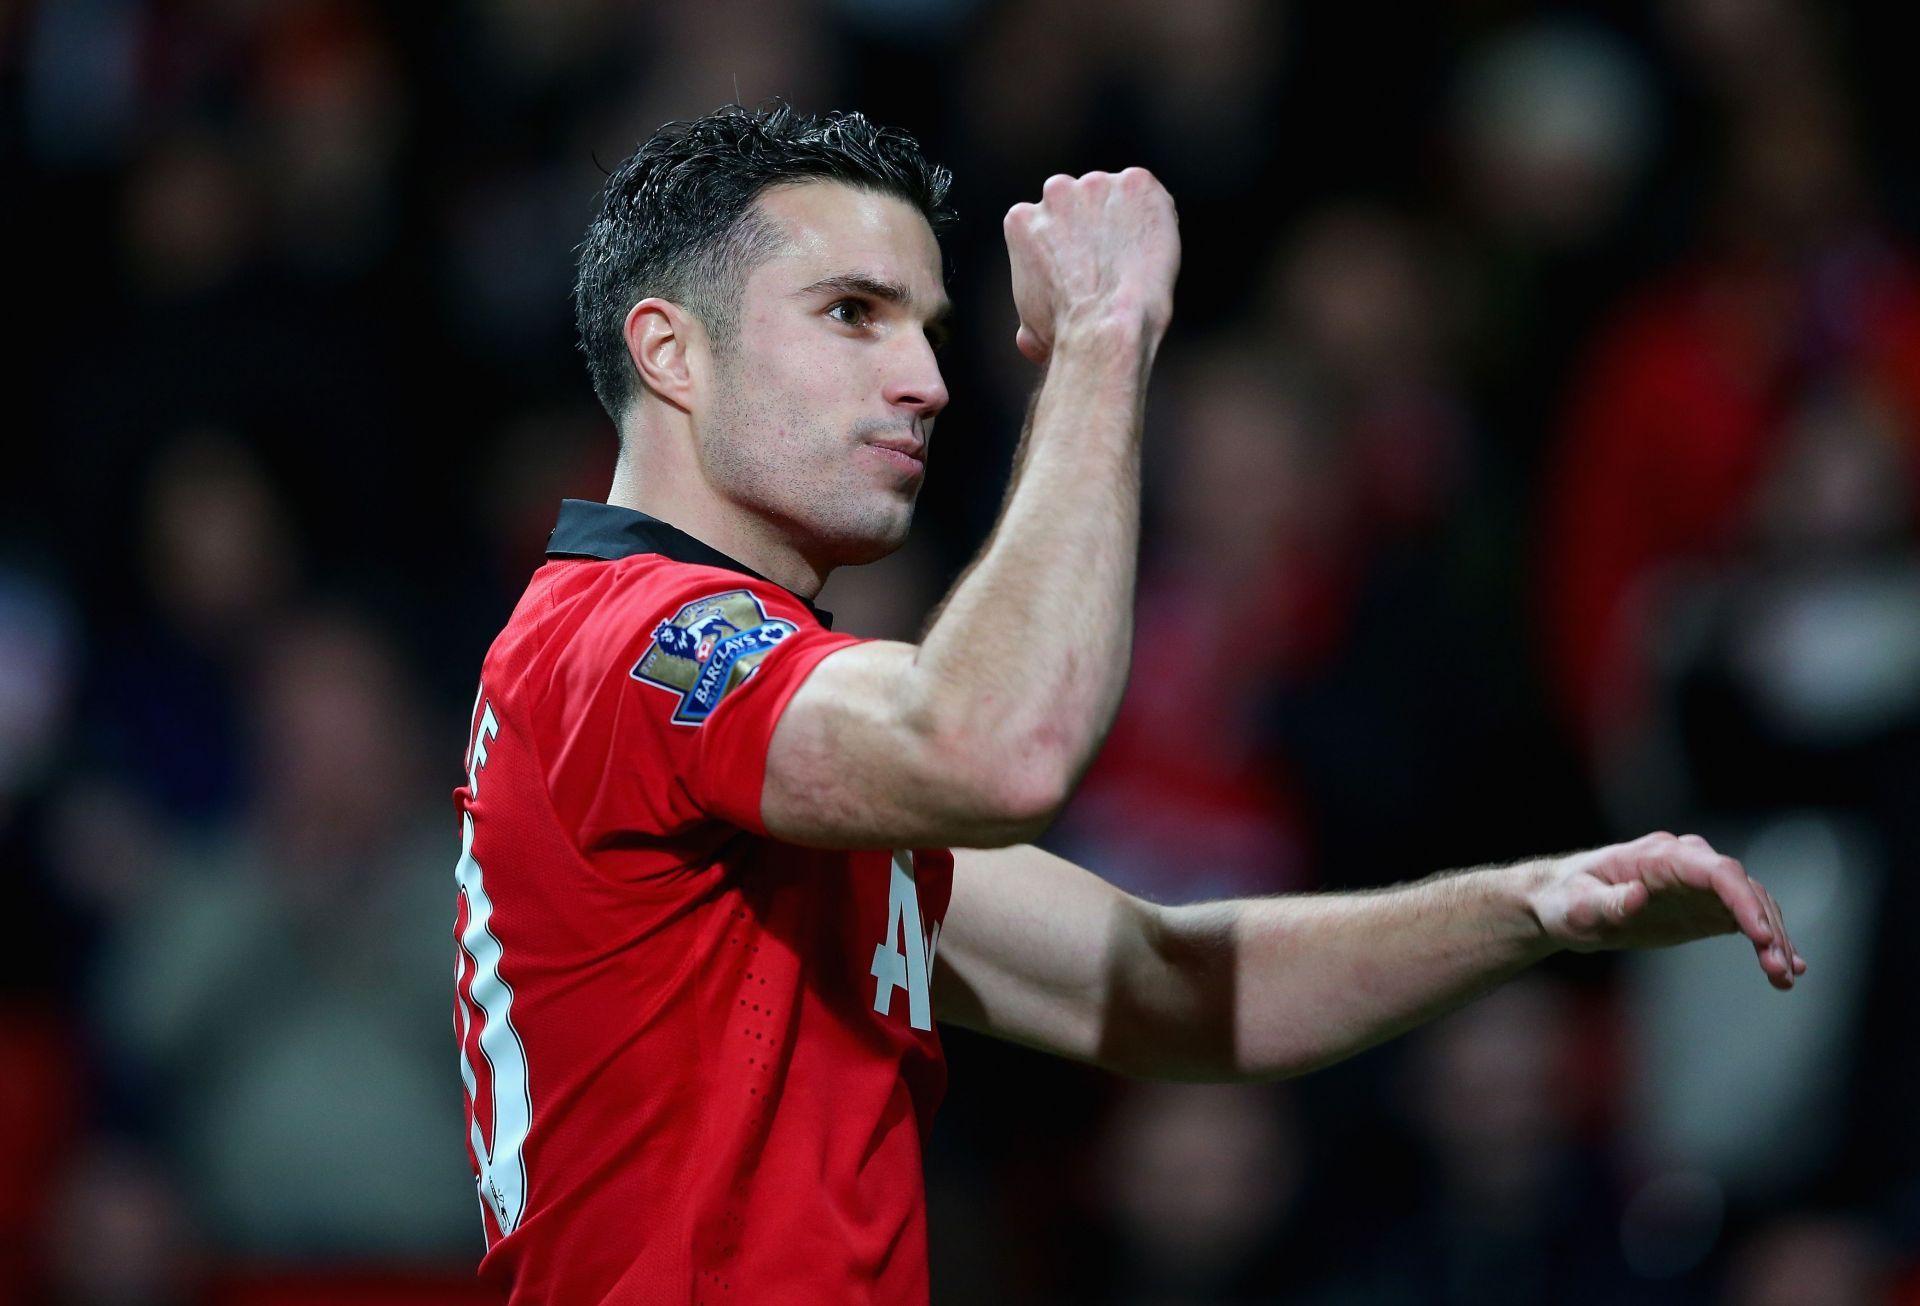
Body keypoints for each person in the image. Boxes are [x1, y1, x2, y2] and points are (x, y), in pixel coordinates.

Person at [451, 103, 1805, 1305]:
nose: (922, 377)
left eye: (926, 326)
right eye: (853, 312)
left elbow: (1165, 986)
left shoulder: (763, 734)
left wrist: (1529, 905)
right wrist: (1102, 340)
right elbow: (995, 742)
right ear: (670, 355)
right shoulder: (634, 643)